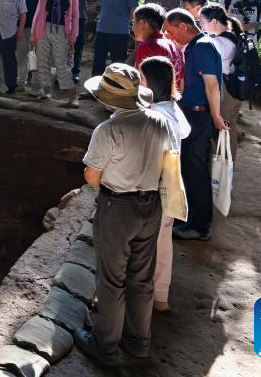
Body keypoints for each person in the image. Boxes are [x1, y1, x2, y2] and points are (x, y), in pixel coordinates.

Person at [74, 63, 171, 368]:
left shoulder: (108, 130)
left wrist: (114, 187)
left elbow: (91, 175)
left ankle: (106, 346)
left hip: (118, 208)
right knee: (141, 278)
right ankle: (138, 342)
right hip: (151, 205)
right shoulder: (159, 120)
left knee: (111, 279)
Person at [164, 8, 227, 242]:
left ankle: (200, 227)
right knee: (189, 170)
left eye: (171, 31)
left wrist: (217, 116)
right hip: (191, 113)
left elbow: (212, 84)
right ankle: (188, 219)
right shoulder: (195, 46)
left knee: (196, 171)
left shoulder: (202, 46)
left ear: (183, 26)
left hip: (199, 116)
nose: (170, 36)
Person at [139, 56, 191, 314]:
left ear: (150, 82)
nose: (138, 82)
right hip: (170, 186)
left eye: (141, 78)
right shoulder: (172, 108)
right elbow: (186, 131)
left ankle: (141, 297)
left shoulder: (154, 116)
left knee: (143, 245)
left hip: (152, 189)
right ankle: (161, 295)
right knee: (163, 241)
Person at [199, 3, 246, 161]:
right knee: (227, 124)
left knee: (224, 125)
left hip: (226, 89)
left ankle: (225, 164)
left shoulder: (220, 43)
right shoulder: (229, 37)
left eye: (202, 22)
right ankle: (225, 163)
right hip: (232, 88)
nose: (201, 26)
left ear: (213, 22)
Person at [30, 0, 80, 106]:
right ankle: (46, 91)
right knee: (42, 60)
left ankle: (73, 96)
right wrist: (33, 34)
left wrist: (73, 35)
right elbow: (37, 15)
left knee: (61, 63)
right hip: (43, 28)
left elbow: (75, 16)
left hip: (62, 30)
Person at [91, 0, 138, 76]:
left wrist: (125, 23)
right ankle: (95, 85)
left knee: (118, 64)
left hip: (120, 32)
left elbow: (133, 9)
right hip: (102, 30)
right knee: (98, 62)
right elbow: (102, 5)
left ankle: (117, 86)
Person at [14, 0, 46, 89]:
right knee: (21, 54)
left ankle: (36, 83)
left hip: (38, 24)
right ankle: (20, 81)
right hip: (21, 24)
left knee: (37, 55)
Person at [132, 3, 184, 88]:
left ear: (142, 23)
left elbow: (140, 81)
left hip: (153, 96)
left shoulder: (147, 46)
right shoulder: (173, 45)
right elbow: (181, 82)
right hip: (174, 95)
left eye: (133, 22)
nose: (132, 27)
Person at [65, 0, 92, 84]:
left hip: (80, 14)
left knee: (79, 44)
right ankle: (62, 71)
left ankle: (75, 72)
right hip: (64, 14)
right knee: (62, 43)